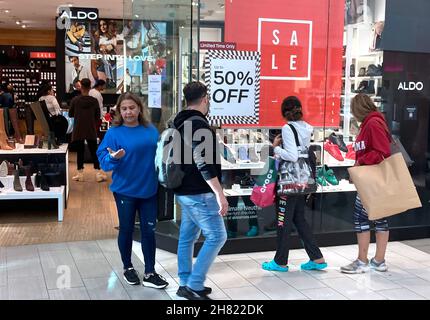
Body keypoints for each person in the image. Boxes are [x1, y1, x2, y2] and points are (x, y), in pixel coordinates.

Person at [96, 92, 169, 289]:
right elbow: (103, 162)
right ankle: (128, 267)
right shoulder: (114, 133)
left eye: (132, 108)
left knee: (149, 232)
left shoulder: (151, 130)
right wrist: (114, 158)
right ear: (119, 111)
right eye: (124, 108)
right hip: (125, 191)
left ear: (139, 109)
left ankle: (150, 272)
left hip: (149, 190)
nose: (128, 112)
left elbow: (160, 156)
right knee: (127, 229)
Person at [173, 81, 228, 300]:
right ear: (205, 99)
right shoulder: (199, 125)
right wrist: (219, 193)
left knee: (188, 237)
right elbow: (203, 161)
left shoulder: (178, 121)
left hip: (184, 189)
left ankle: (185, 281)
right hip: (199, 192)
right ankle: (194, 284)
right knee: (217, 236)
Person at [262, 96, 327, 272]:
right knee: (299, 219)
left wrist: (276, 147)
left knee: (283, 220)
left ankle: (280, 262)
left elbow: (292, 155)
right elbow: (301, 152)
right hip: (303, 181)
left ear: (284, 112)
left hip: (289, 183)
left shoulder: (287, 128)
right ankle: (317, 258)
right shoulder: (307, 127)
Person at [341, 93, 391, 274]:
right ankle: (378, 261)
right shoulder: (371, 122)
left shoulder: (372, 123)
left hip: (373, 179)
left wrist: (360, 163)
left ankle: (362, 261)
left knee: (361, 218)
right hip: (373, 178)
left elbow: (382, 151)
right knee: (379, 217)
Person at [69, 78, 107, 183]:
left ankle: (80, 174)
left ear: (81, 87)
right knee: (94, 151)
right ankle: (98, 173)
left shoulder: (75, 100)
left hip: (78, 129)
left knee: (80, 151)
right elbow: (97, 116)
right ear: (90, 87)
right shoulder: (94, 101)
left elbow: (70, 114)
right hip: (91, 129)